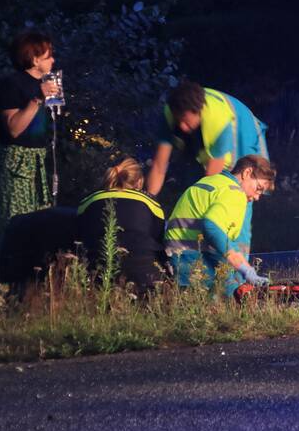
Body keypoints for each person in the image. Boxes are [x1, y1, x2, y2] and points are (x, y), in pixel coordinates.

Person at [146, 80, 269, 261]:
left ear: (199, 113)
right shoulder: (171, 112)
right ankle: (197, 261)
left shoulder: (218, 120)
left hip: (244, 134)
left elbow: (212, 181)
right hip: (207, 146)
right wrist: (148, 204)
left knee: (238, 195)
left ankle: (238, 272)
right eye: (179, 120)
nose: (182, 127)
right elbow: (159, 165)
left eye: (187, 122)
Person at [165, 154, 275, 295]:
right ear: (247, 173)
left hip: (177, 256)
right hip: (194, 258)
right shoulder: (234, 192)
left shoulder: (212, 181)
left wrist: (248, 270)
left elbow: (226, 241)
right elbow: (212, 228)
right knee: (229, 297)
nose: (257, 196)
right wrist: (243, 269)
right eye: (258, 188)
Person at [0, 31, 59, 236]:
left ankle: (35, 265)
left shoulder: (45, 84)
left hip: (40, 160)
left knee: (41, 223)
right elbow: (13, 127)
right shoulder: (12, 85)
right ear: (35, 59)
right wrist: (38, 99)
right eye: (48, 56)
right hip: (18, 162)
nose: (53, 60)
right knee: (15, 222)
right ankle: (2, 264)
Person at [75, 158, 166, 295]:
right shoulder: (150, 203)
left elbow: (79, 237)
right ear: (139, 181)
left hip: (97, 273)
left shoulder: (88, 202)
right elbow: (159, 238)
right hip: (144, 276)